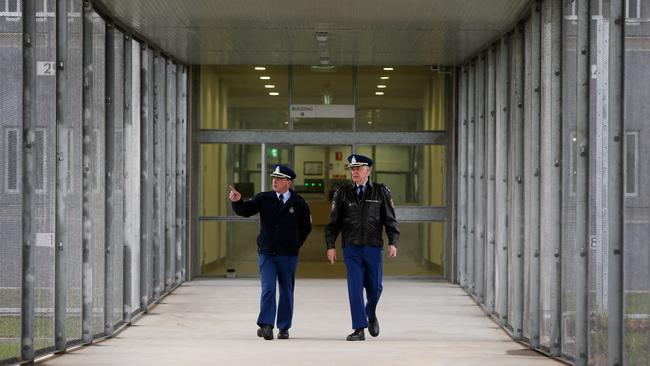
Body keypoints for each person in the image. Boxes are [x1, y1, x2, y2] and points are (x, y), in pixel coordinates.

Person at [229, 164, 312, 340]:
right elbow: (246, 210)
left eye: (279, 178)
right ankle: (266, 325)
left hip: (288, 255)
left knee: (287, 292)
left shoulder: (298, 203)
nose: (274, 181)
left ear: (288, 182)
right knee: (268, 289)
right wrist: (237, 201)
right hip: (267, 253)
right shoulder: (264, 198)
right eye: (274, 177)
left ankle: (284, 327)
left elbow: (306, 227)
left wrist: (295, 244)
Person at [325, 153, 400, 341]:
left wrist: (393, 241)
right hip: (351, 248)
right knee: (355, 287)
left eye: (358, 168)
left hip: (373, 247)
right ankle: (359, 328)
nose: (354, 172)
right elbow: (333, 222)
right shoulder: (342, 193)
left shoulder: (381, 191)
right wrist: (330, 245)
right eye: (352, 169)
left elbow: (390, 219)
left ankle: (370, 313)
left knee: (376, 287)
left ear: (368, 170)